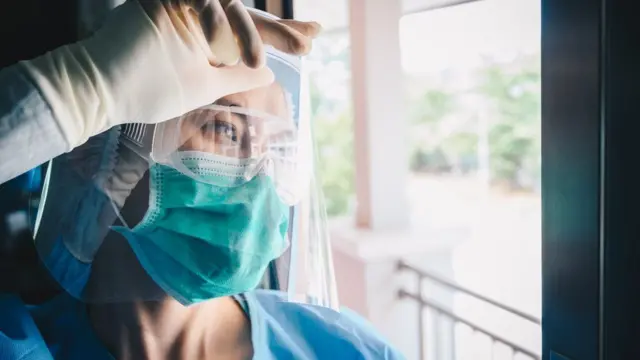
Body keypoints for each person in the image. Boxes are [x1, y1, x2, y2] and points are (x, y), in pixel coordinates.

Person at [0, 1, 405, 359]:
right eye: (227, 130)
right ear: (95, 150)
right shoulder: (18, 345)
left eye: (275, 149)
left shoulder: (348, 350)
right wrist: (83, 87)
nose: (260, 178)